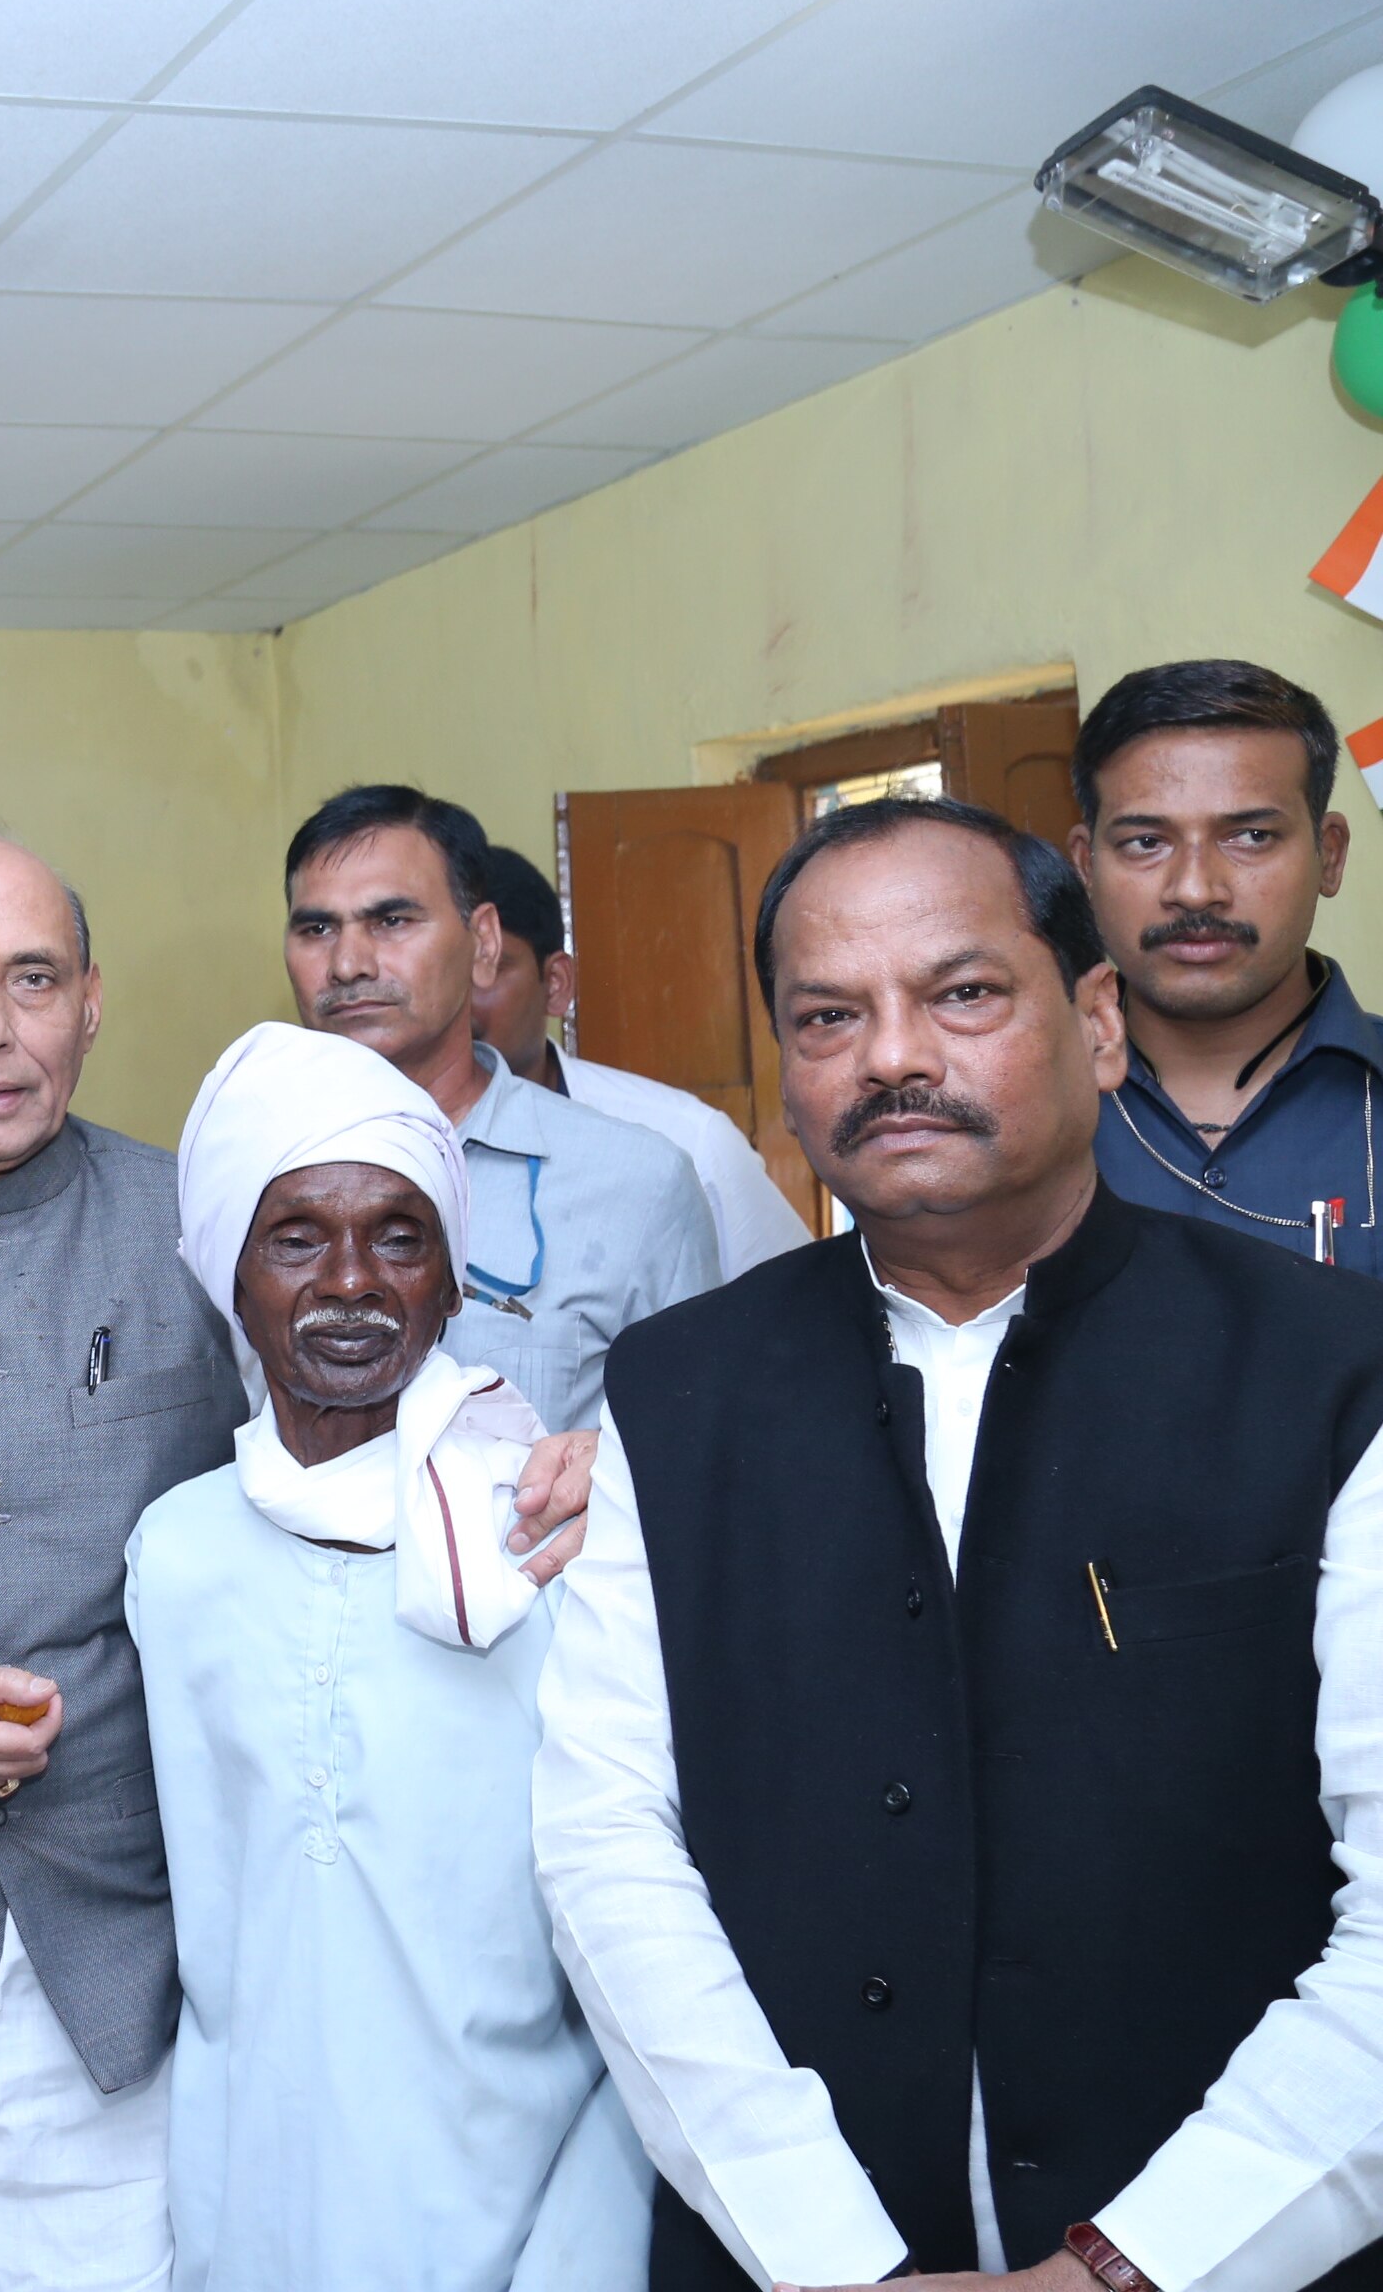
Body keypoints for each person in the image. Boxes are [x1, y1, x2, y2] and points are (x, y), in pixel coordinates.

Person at [0, 812, 603, 2289]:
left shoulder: (215, 1232)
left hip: (139, 1982)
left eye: (32, 979)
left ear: (92, 1000)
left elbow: (378, 1443)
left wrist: (570, 1472)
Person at [534, 795, 1383, 2292]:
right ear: (788, 1080)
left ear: (1100, 1023)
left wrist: (1136, 2267)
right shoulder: (679, 1395)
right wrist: (829, 2256)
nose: (893, 1058)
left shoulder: (1330, 1373)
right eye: (827, 1016)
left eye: (964, 994)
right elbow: (608, 1851)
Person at [126, 1021, 648, 2288]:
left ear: (455, 1276)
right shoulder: (176, 1551)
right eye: (297, 1236)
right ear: (228, 1275)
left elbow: (638, 1941)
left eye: (399, 1236)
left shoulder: (558, 1534)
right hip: (245, 2215)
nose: (351, 1280)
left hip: (533, 2222)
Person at [285, 785, 719, 1426]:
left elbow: (700, 1450)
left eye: (392, 921)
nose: (348, 963)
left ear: (483, 944)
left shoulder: (636, 1185)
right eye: (317, 928)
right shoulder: (249, 1181)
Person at [1071, 659, 1383, 1276]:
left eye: (1250, 837)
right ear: (1085, 866)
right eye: (1146, 842)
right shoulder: (1011, 1111)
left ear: (1329, 855)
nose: (1194, 890)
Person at [472, 846, 811, 1278]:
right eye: (440, 973)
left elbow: (791, 1309)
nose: (455, 1001)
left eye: (484, 968)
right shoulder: (376, 1139)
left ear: (555, 983)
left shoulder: (686, 1140)